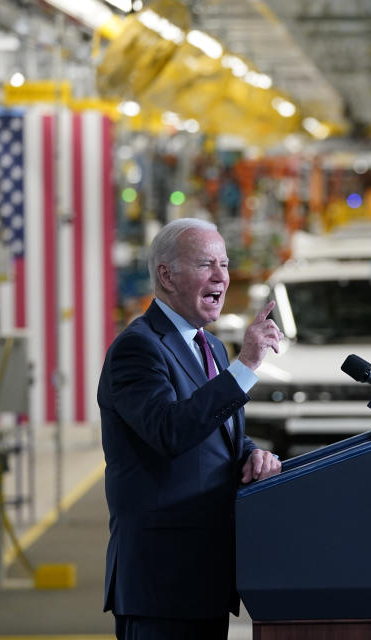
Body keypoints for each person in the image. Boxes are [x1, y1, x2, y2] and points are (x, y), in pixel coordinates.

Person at [97, 218, 285, 640]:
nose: (222, 276)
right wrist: (246, 368)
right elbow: (169, 432)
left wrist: (252, 453)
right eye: (206, 264)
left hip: (206, 579)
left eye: (224, 263)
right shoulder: (137, 349)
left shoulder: (211, 346)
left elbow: (216, 434)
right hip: (161, 582)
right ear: (167, 275)